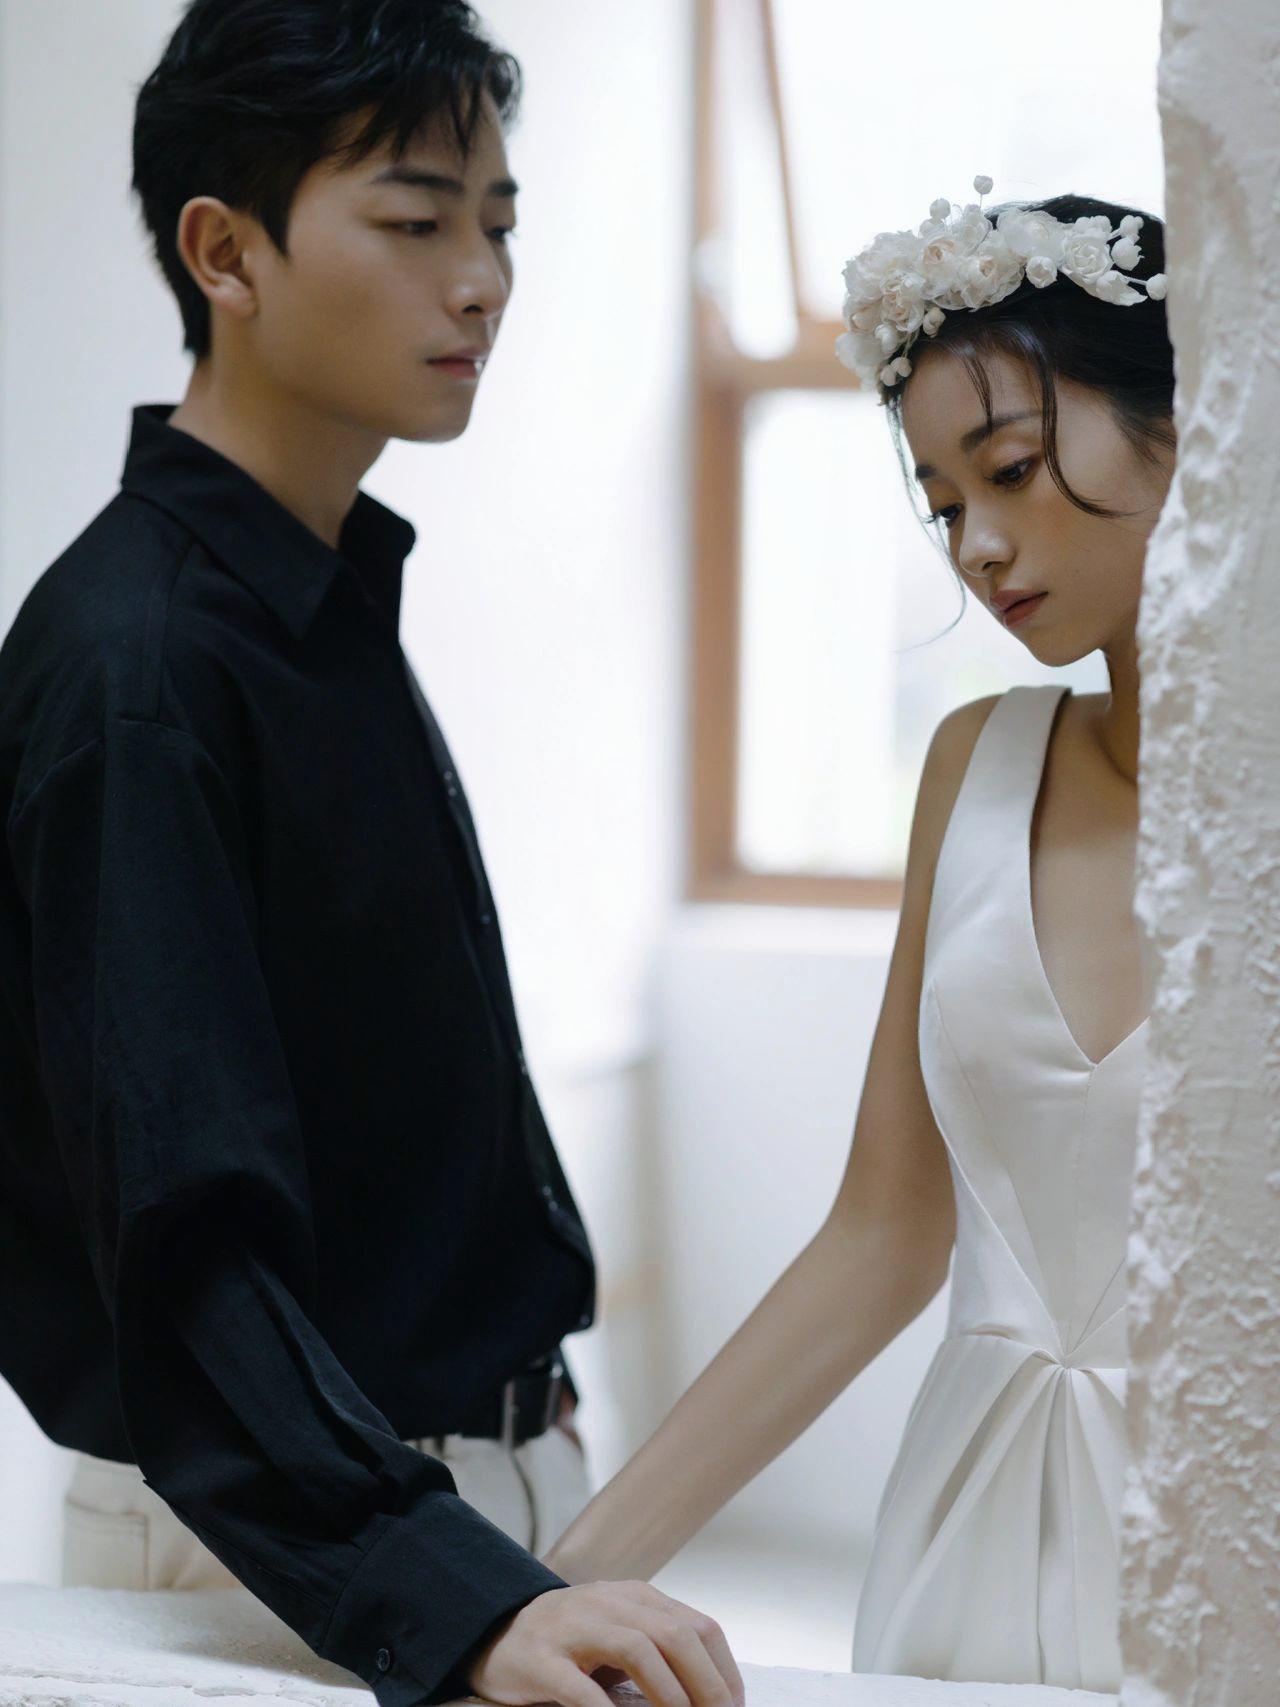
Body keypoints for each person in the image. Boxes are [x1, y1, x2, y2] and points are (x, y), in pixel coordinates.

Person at [0, 5, 742, 1707]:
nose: (480, 283)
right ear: (225, 253)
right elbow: (181, 1237)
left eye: (499, 224)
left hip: (436, 1501)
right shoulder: (143, 666)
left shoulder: (311, 596)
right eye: (415, 222)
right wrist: (448, 1593)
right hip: (289, 1544)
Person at [541, 179, 1175, 1695]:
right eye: (944, 504)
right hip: (968, 1535)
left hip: (1223, 1538)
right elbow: (883, 1234)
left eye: (1010, 469)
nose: (976, 546)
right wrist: (543, 1590)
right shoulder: (976, 766)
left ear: (1195, 421)